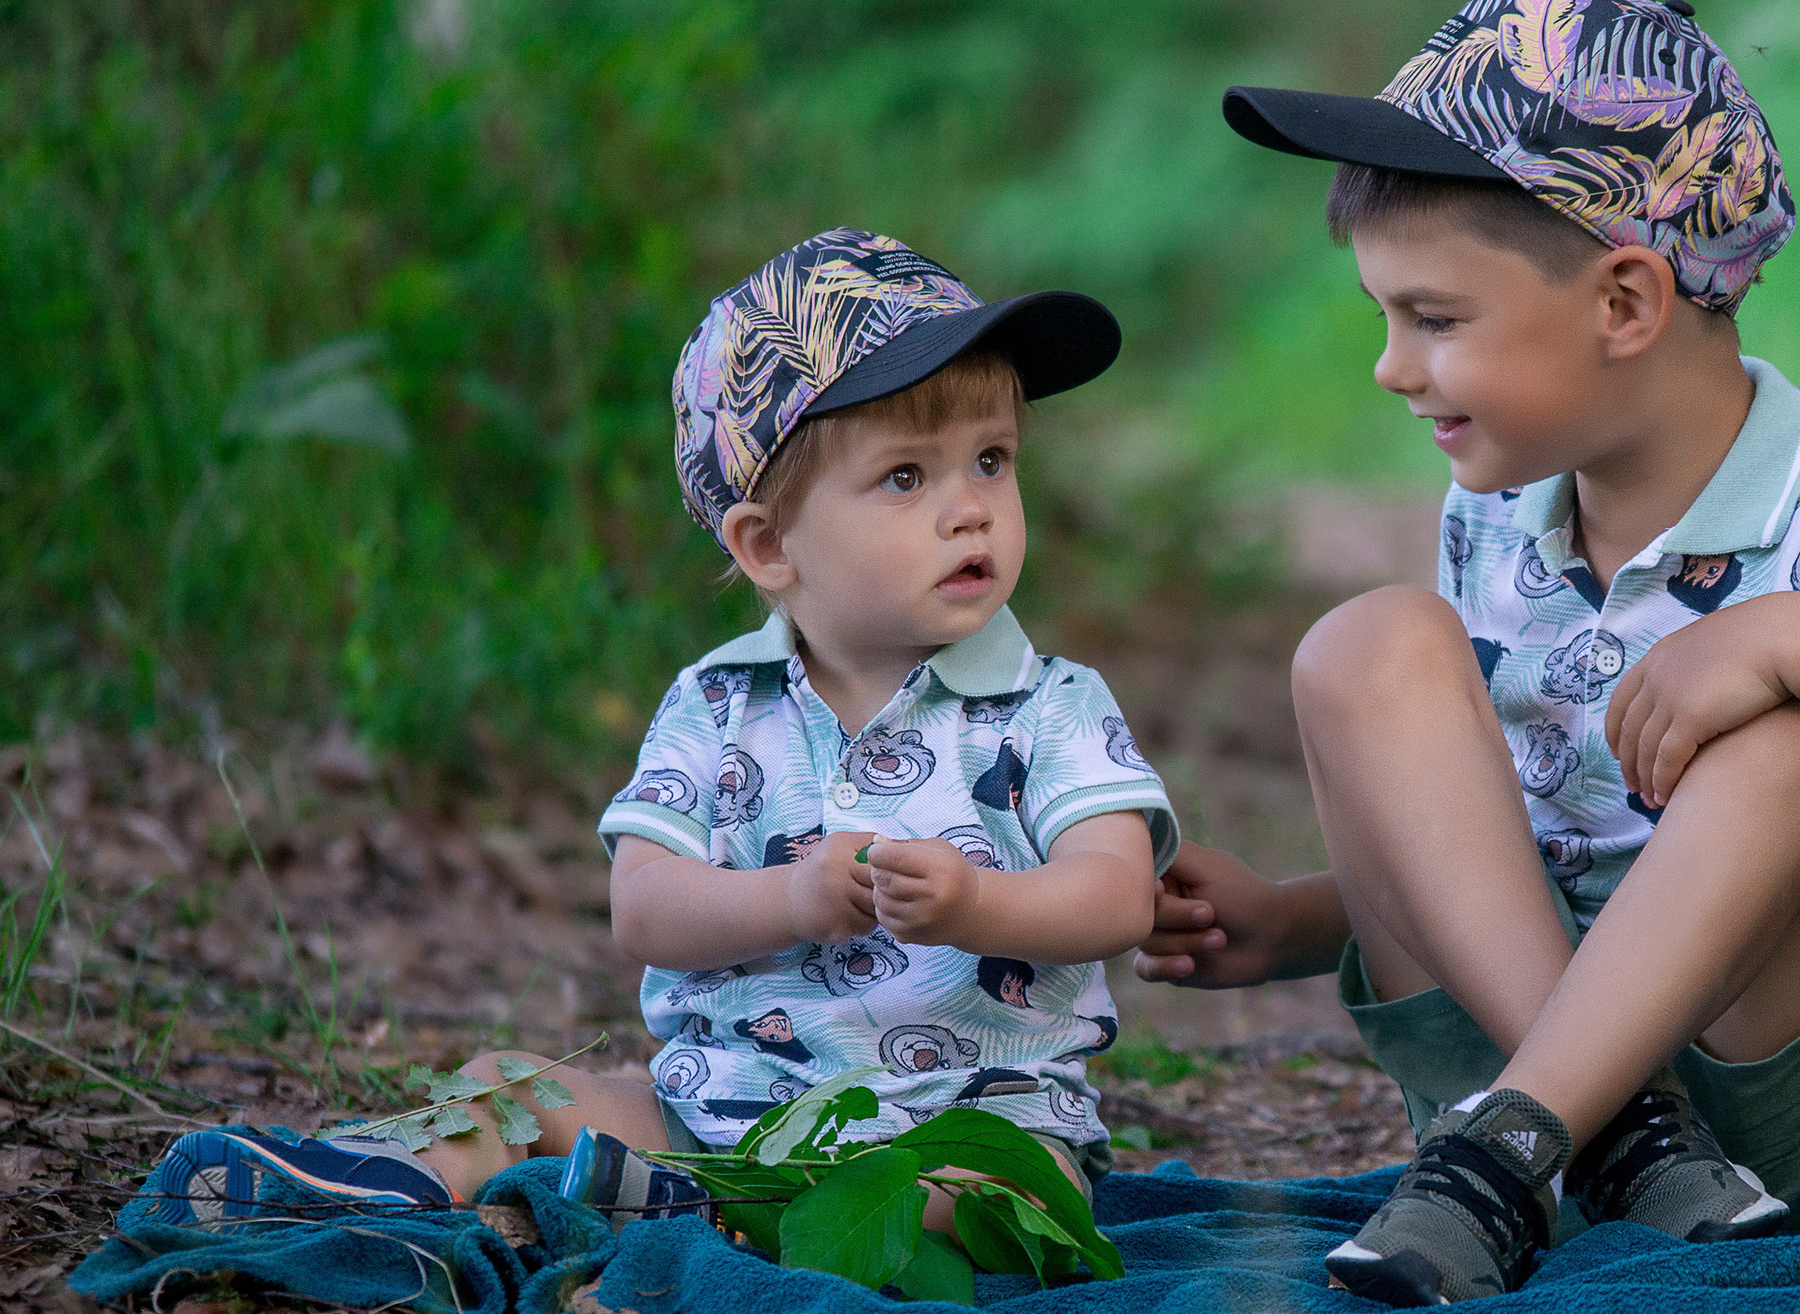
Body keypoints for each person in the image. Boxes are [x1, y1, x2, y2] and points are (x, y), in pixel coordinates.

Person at [1137, 0, 1800, 1306]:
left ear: (1625, 304)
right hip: (1534, 1115)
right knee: (1366, 642)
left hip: (1790, 1105)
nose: (1390, 368)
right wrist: (1285, 920)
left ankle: (1525, 1136)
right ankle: (1583, 1129)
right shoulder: (1495, 512)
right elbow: (1537, 841)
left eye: (1434, 320)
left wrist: (1793, 636)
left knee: (1790, 728)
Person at [138, 230, 1176, 1237]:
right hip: (723, 1113)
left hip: (980, 1119)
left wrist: (978, 901)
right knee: (512, 1085)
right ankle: (365, 1180)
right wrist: (790, 896)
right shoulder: (719, 706)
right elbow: (644, 903)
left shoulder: (1048, 704)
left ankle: (697, 1209)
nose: (971, 510)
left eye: (992, 461)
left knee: (1024, 1194)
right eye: (907, 477)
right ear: (769, 546)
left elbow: (1118, 891)